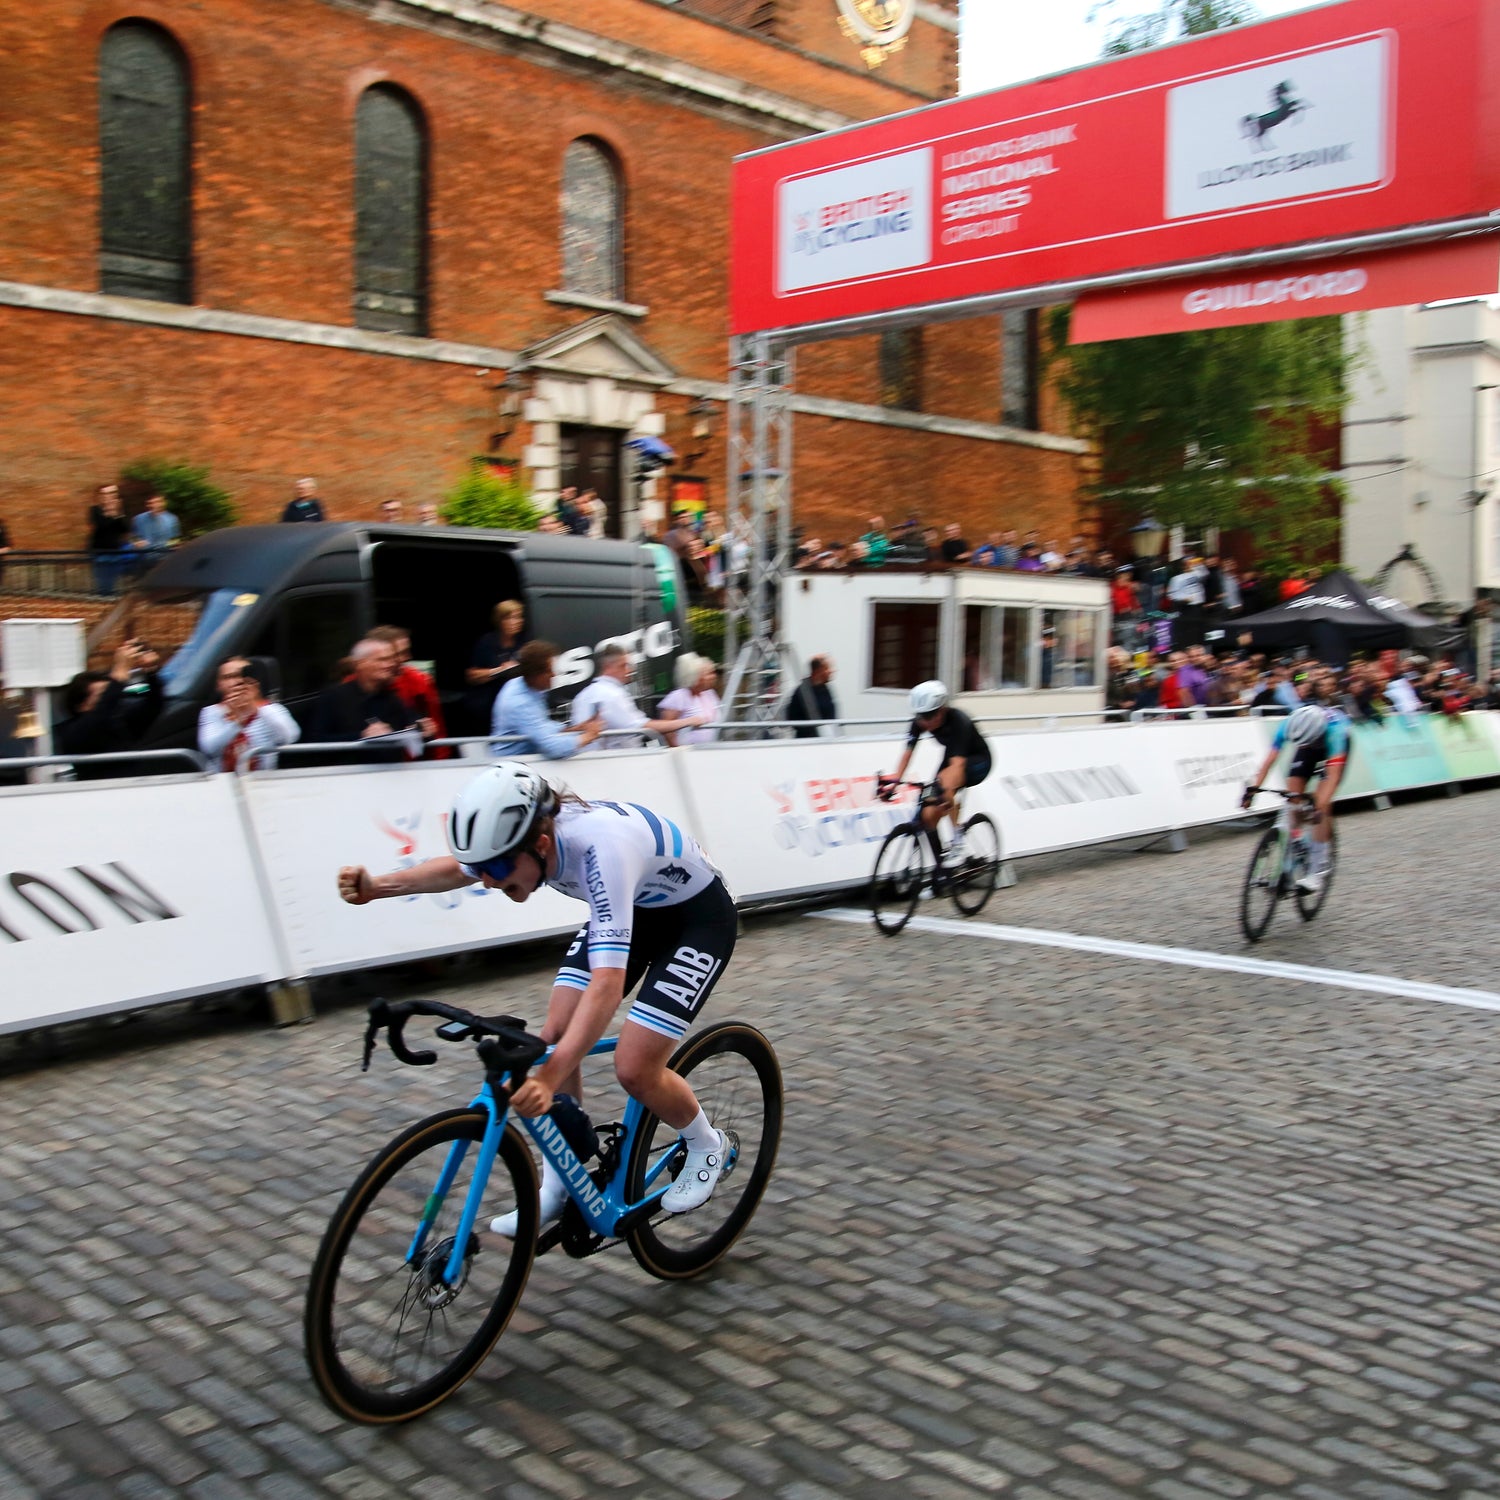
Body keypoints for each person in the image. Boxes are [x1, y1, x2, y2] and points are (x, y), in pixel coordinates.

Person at [336, 762, 739, 1230]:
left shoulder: (599, 848)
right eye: (483, 869)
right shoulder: (523, 838)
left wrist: (548, 1079)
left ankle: (708, 1143)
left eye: (500, 868)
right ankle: (561, 1185)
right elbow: (454, 871)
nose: (488, 880)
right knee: (554, 1036)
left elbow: (607, 985)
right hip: (639, 906)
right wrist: (377, 887)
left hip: (697, 920)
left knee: (633, 1067)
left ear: (542, 844)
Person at [1242, 672, 1350, 894]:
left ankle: (1316, 870)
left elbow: (1334, 776)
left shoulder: (1336, 731)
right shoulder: (1289, 724)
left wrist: (1320, 806)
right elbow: (1268, 762)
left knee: (1322, 805)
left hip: (1332, 747)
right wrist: (1252, 790)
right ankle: (1295, 845)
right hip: (1307, 745)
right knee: (1294, 800)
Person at [878, 681, 991, 855]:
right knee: (928, 813)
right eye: (920, 716)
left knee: (944, 782)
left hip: (978, 761)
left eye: (929, 716)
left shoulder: (958, 720)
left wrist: (945, 791)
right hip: (952, 758)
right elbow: (907, 753)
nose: (924, 722)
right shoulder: (920, 721)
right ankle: (942, 868)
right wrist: (895, 781)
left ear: (942, 709)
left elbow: (957, 766)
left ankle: (957, 836)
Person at [54, 639, 164, 777]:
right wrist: (119, 674)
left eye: (109, 692)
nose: (111, 696)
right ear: (82, 705)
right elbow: (99, 717)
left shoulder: (118, 723)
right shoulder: (73, 733)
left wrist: (151, 672)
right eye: (102, 694)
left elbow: (153, 707)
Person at [568, 644, 702, 749]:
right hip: (616, 765)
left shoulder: (584, 694)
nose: (630, 670)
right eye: (626, 665)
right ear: (611, 666)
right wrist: (687, 722)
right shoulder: (612, 695)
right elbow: (643, 726)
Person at [306, 637, 418, 762]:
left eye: (391, 659)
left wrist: (422, 728)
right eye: (382, 659)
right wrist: (362, 736)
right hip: (346, 775)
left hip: (388, 775)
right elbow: (315, 741)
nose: (391, 664)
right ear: (360, 663)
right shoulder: (334, 696)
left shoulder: (392, 698)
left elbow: (411, 723)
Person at [493, 639, 604, 758]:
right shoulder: (519, 703)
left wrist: (576, 729)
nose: (554, 674)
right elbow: (552, 748)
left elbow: (543, 728)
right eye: (549, 671)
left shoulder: (525, 686)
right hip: (512, 765)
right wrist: (589, 735)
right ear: (535, 675)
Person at [197, 656, 300, 770]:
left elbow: (290, 736)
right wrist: (237, 723)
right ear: (219, 685)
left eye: (243, 675)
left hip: (262, 780)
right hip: (222, 781)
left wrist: (255, 706)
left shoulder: (270, 709)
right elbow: (209, 748)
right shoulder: (211, 712)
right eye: (229, 677)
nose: (238, 681)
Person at [366, 624, 447, 755]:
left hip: (414, 763)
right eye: (401, 653)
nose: (407, 657)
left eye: (407, 651)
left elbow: (437, 730)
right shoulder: (353, 686)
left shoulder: (419, 681)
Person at [466, 599, 528, 730]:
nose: (518, 621)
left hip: (512, 705)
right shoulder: (487, 642)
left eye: (519, 617)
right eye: (512, 618)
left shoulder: (523, 642)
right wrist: (500, 670)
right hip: (487, 705)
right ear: (501, 621)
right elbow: (472, 675)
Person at [658, 653, 721, 745]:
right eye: (709, 674)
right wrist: (677, 748)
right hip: (688, 753)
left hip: (710, 749)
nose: (713, 676)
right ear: (696, 676)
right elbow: (667, 730)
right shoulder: (678, 696)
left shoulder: (710, 694)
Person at [88, 483, 133, 595]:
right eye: (107, 494)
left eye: (113, 493)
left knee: (113, 584)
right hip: (100, 551)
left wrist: (118, 514)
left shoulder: (118, 511)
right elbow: (100, 527)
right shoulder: (95, 510)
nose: (110, 496)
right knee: (103, 585)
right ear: (101, 496)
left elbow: (124, 530)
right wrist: (110, 513)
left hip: (115, 551)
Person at [784, 655, 837, 737]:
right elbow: (792, 717)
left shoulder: (826, 690)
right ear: (818, 671)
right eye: (827, 668)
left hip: (826, 740)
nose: (831, 671)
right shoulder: (802, 692)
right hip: (807, 742)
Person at [130, 492, 181, 561]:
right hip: (145, 558)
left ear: (163, 503)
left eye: (157, 502)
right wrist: (136, 542)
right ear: (147, 504)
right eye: (151, 503)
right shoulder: (139, 519)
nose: (154, 505)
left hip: (165, 558)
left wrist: (172, 546)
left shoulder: (172, 519)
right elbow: (133, 537)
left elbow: (175, 540)